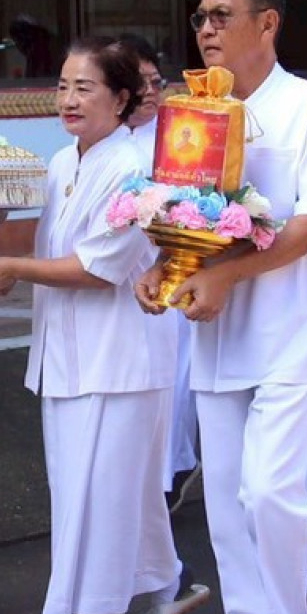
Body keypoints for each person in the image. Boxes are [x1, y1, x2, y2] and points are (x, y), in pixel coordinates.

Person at [138, 0, 307, 614]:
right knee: (227, 501)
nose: (205, 29)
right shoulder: (192, 113)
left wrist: (229, 273)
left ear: (267, 25)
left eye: (221, 15)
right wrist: (165, 269)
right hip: (217, 336)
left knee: (271, 493)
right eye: (200, 16)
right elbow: (180, 213)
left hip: (289, 331)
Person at [0, 38, 202, 614]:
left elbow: (104, 269)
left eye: (85, 88)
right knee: (107, 485)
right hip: (69, 351)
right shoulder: (62, 164)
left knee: (98, 488)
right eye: (64, 85)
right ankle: (165, 586)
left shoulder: (134, 170)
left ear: (122, 99)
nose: (68, 99)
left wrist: (13, 265)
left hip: (121, 353)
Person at [113, 34, 197, 492]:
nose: (149, 92)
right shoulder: (105, 141)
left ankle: (169, 473)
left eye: (155, 81)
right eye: (138, 82)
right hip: (113, 278)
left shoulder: (179, 133)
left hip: (163, 268)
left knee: (171, 378)